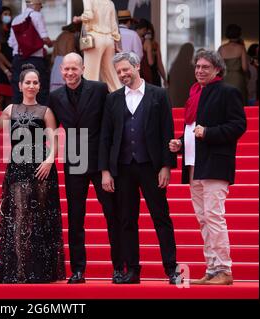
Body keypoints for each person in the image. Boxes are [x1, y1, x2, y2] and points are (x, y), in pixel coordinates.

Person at [99, 52, 180, 284]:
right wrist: (105, 170)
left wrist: (166, 166)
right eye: (119, 72)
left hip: (151, 166)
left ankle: (171, 269)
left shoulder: (159, 94)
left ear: (136, 66)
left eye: (126, 69)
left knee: (161, 217)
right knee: (126, 220)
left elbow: (167, 130)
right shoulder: (113, 99)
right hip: (123, 168)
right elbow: (106, 137)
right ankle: (132, 270)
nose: (123, 74)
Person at [169, 49, 247, 285]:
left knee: (213, 217)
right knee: (204, 219)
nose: (200, 71)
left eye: (205, 67)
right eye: (197, 67)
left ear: (217, 69)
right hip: (194, 164)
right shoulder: (194, 93)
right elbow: (193, 130)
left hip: (215, 164)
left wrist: (209, 132)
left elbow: (238, 126)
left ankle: (224, 269)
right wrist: (180, 144)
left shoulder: (227, 92)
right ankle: (212, 268)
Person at [49, 53, 122, 284]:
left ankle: (119, 268)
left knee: (113, 215)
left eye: (74, 68)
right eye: (66, 69)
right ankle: (78, 270)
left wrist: (108, 167)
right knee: (75, 219)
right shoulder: (55, 96)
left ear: (82, 68)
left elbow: (111, 125)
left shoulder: (99, 89)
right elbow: (46, 125)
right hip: (74, 162)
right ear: (61, 71)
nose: (70, 73)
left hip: (101, 162)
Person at [0, 64, 66, 283]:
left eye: (35, 82)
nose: (31, 86)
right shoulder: (10, 110)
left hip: (41, 167)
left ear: (39, 86)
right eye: (28, 82)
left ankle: (41, 270)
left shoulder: (46, 111)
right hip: (17, 166)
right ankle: (20, 268)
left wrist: (50, 161)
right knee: (19, 217)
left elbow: (53, 139)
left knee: (41, 217)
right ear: (21, 85)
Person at [8, 0, 52, 105]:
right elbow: (44, 37)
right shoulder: (37, 15)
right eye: (40, 5)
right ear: (34, 4)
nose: (41, 7)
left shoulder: (16, 19)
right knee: (39, 89)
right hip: (35, 58)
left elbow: (10, 42)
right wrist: (51, 44)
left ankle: (17, 117)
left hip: (18, 59)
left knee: (18, 89)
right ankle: (40, 117)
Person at [72, 0, 121, 92]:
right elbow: (114, 25)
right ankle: (122, 99)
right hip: (109, 39)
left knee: (90, 75)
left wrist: (77, 18)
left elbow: (89, 15)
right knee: (111, 75)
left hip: (94, 38)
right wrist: (116, 42)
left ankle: (89, 102)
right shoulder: (109, 2)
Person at [218, 24, 249, 104]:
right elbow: (245, 68)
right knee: (239, 103)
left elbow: (218, 67)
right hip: (238, 79)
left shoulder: (221, 48)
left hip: (225, 79)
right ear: (239, 34)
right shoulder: (241, 48)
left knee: (226, 103)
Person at [50, 22, 81, 92]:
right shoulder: (71, 36)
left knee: (56, 89)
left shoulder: (60, 35)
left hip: (57, 62)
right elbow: (70, 52)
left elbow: (53, 56)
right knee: (67, 88)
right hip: (66, 62)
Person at [0, 6, 14, 111]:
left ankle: (7, 126)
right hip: (1, 69)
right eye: (5, 14)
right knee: (0, 98)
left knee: (10, 99)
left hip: (11, 66)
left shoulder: (11, 30)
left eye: (9, 14)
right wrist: (8, 69)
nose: (8, 17)